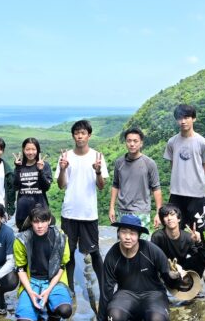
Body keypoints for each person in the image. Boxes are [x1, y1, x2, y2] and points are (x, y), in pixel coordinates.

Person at [85, 214, 181, 321]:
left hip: (153, 293)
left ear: (139, 235)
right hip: (126, 293)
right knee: (114, 318)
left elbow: (168, 280)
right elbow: (106, 291)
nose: (128, 237)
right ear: (118, 233)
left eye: (133, 233)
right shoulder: (113, 256)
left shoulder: (152, 251)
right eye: (124, 232)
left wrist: (176, 276)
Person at [57, 119, 108, 296]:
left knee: (94, 253)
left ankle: (104, 288)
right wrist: (63, 169)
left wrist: (98, 172)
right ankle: (69, 288)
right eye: (77, 133)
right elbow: (61, 185)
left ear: (89, 135)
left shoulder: (97, 157)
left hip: (88, 213)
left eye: (83, 133)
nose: (80, 136)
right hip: (69, 212)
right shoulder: (66, 157)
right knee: (68, 253)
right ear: (73, 136)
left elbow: (101, 186)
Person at [13, 205, 74, 321]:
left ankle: (52, 308)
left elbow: (62, 265)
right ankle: (37, 310)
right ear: (31, 222)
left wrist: (48, 290)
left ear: (49, 221)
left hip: (54, 280)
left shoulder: (60, 237)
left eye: (43, 221)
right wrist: (30, 291)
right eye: (36, 222)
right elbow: (20, 269)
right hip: (32, 282)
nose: (39, 226)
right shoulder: (21, 240)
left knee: (65, 310)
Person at [163, 104, 205, 243]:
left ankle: (199, 261)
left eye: (187, 117)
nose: (183, 121)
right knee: (173, 229)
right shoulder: (172, 142)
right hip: (176, 193)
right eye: (180, 118)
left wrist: (193, 180)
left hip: (196, 194)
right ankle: (176, 261)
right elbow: (172, 166)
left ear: (194, 119)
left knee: (197, 231)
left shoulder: (203, 143)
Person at [151, 204, 205, 299]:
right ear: (163, 221)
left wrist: (199, 243)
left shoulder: (187, 237)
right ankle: (159, 291)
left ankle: (192, 286)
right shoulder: (158, 236)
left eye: (172, 214)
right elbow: (153, 260)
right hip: (165, 270)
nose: (169, 218)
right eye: (165, 216)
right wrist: (171, 267)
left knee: (199, 258)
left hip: (182, 269)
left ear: (178, 218)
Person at [109, 126, 162, 229]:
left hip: (141, 211)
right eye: (129, 141)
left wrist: (158, 213)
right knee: (124, 242)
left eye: (135, 141)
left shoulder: (149, 163)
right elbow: (115, 185)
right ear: (125, 142)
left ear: (141, 143)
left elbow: (156, 188)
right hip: (122, 210)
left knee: (142, 242)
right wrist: (111, 207)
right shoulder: (119, 162)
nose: (132, 144)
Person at [12, 137, 53, 229]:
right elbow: (15, 187)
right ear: (23, 150)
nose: (30, 152)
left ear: (38, 150)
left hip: (41, 211)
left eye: (33, 149)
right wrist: (18, 169)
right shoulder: (19, 166)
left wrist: (40, 171)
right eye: (27, 149)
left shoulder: (44, 165)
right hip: (23, 212)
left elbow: (46, 187)